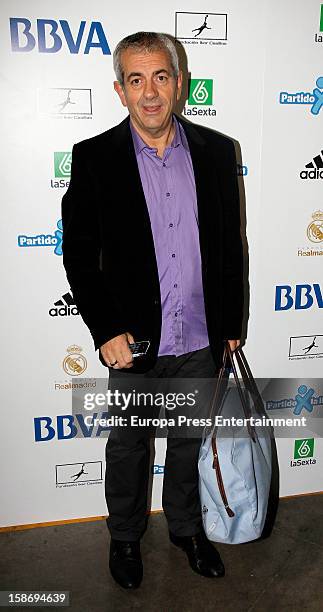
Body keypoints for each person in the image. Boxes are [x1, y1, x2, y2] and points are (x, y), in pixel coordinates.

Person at [62, 31, 244, 589]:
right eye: (136, 80)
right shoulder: (94, 158)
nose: (149, 92)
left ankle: (186, 530)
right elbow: (79, 252)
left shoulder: (217, 151)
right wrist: (105, 328)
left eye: (160, 77)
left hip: (197, 336)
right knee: (130, 446)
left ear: (179, 82)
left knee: (189, 443)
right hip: (133, 341)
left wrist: (231, 325)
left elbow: (230, 243)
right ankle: (123, 538)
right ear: (120, 90)